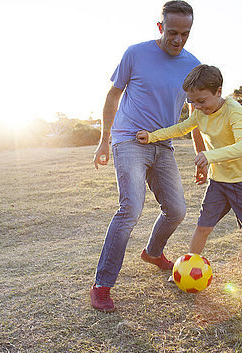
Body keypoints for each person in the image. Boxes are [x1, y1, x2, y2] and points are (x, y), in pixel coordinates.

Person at [136, 64, 242, 296]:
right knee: (202, 227)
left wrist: (210, 156)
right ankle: (187, 271)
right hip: (218, 183)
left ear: (218, 91)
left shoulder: (234, 110)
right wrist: (152, 137)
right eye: (192, 102)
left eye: (202, 101)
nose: (197, 107)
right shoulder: (199, 112)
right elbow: (181, 128)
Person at [90, 1, 204, 312]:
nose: (178, 40)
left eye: (185, 33)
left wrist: (201, 153)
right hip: (128, 139)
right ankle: (102, 285)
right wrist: (103, 141)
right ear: (160, 28)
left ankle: (153, 252)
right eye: (172, 32)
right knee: (131, 208)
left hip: (163, 144)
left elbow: (195, 111)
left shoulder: (193, 66)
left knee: (177, 210)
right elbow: (113, 95)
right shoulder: (135, 53)